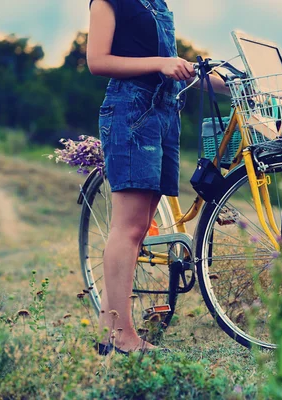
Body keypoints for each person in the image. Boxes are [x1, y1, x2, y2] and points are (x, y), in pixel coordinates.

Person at [87, 0, 228, 354]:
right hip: (131, 110)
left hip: (165, 112)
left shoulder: (158, 4)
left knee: (140, 226)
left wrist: (220, 81)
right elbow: (97, 60)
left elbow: (170, 66)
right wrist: (162, 63)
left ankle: (108, 328)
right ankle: (122, 334)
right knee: (129, 228)